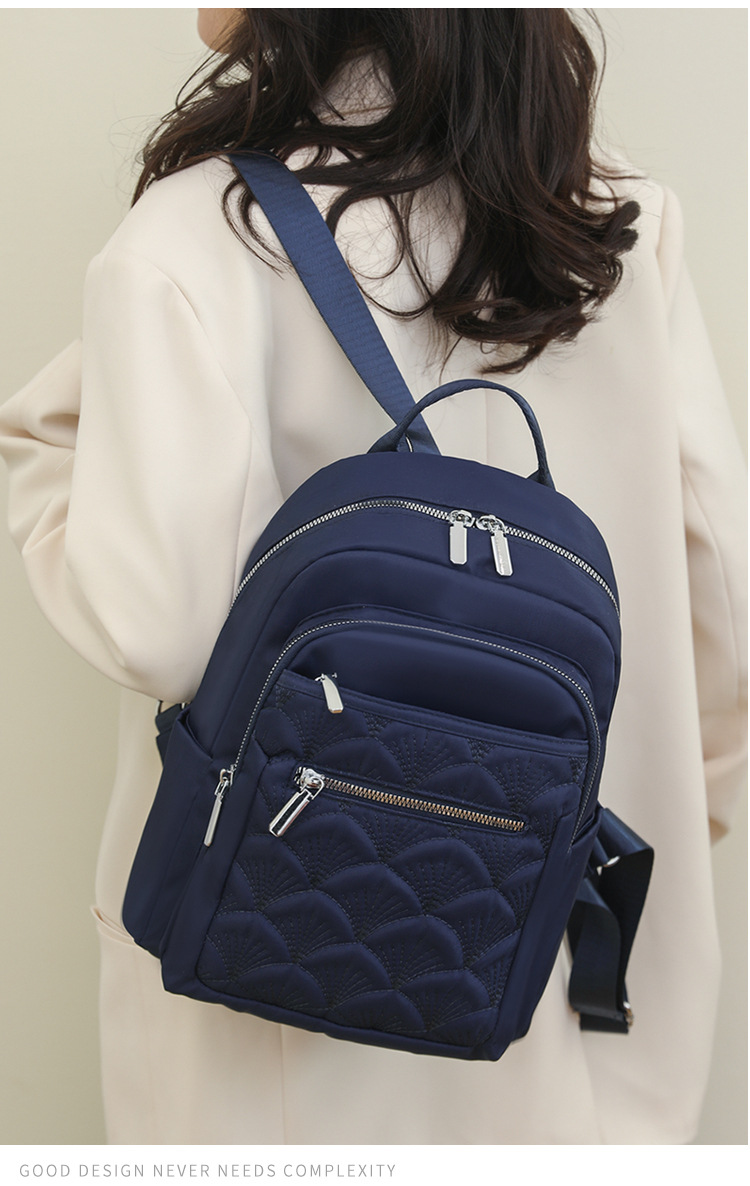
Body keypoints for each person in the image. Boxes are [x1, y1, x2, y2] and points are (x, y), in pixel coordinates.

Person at [0, 9, 745, 1146]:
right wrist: (628, 826)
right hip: (567, 1005)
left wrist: (52, 478)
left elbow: (153, 623)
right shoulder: (615, 227)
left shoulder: (198, 238)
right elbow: (721, 601)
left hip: (276, 1024)